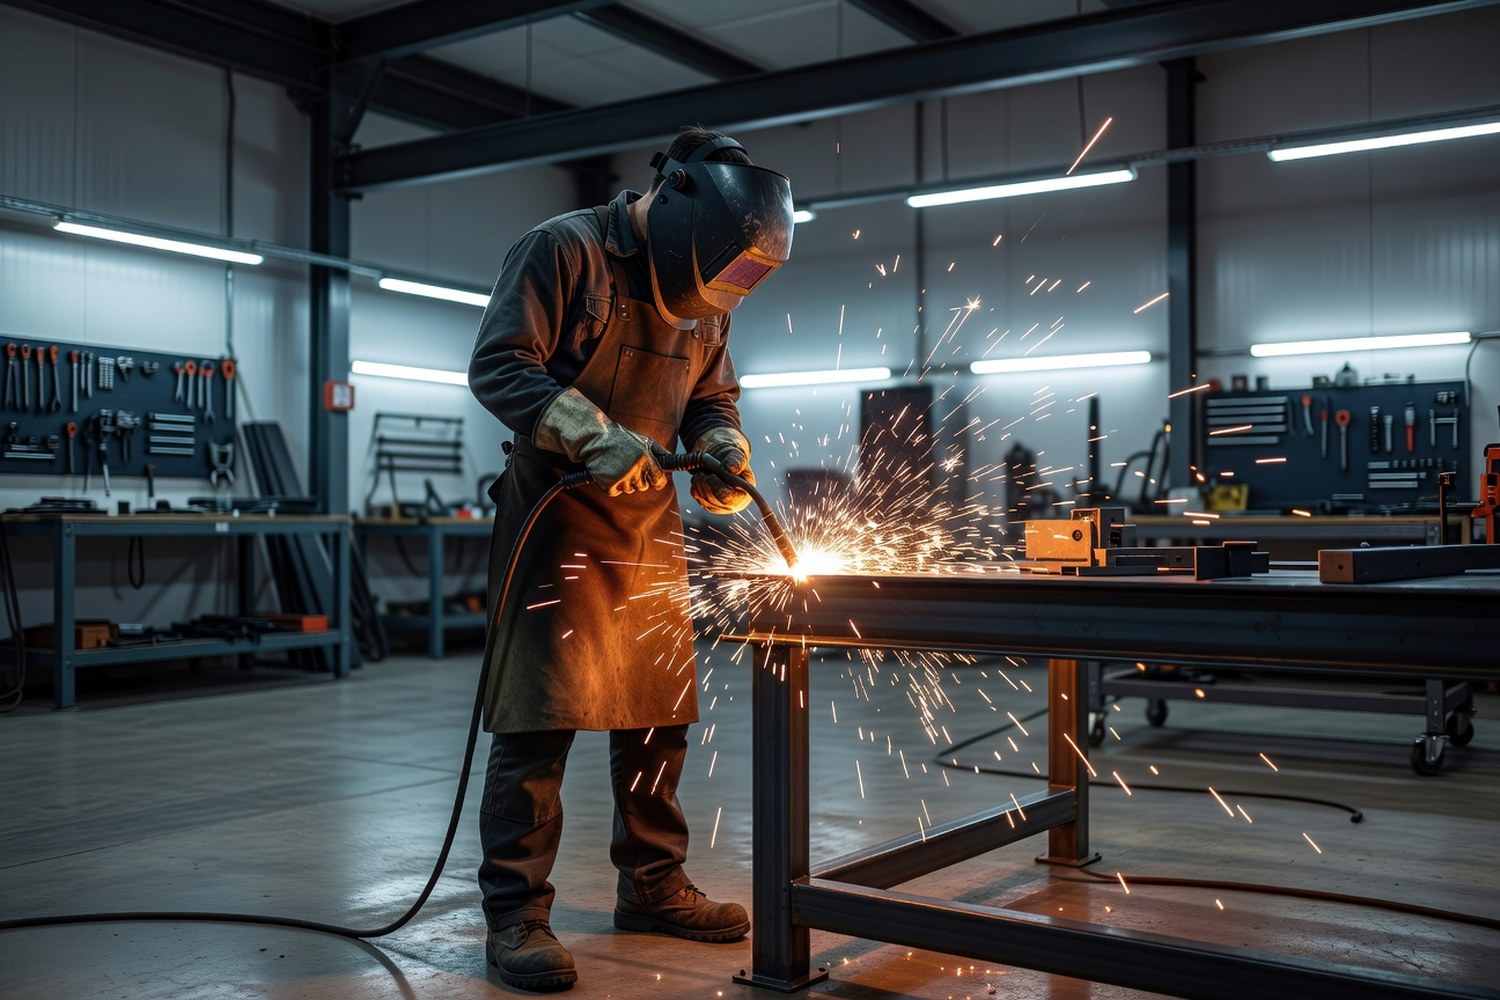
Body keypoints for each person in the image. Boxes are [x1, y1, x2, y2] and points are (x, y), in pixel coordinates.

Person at [467, 126, 794, 992]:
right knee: (539, 722)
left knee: (657, 718)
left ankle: (652, 886)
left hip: (647, 525)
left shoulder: (707, 291)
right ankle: (515, 915)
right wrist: (588, 432)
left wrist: (722, 446)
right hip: (555, 518)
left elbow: (712, 396)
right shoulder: (563, 250)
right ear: (675, 201)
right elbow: (499, 365)